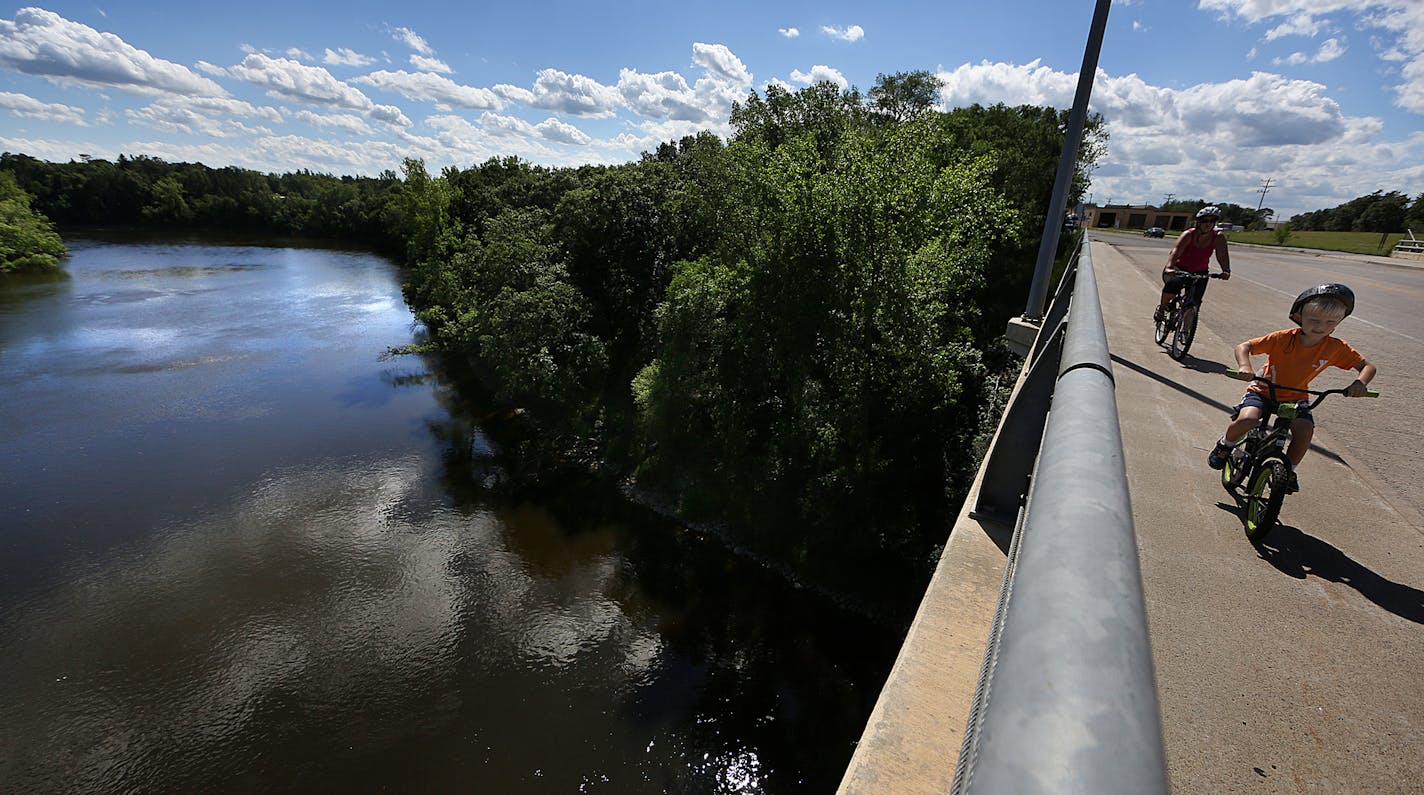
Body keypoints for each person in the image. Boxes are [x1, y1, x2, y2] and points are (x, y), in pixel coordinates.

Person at [1206, 283, 1378, 492]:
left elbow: (1367, 366)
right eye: (1314, 320)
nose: (1321, 326)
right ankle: (1225, 445)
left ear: (1338, 323)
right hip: (1263, 391)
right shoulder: (1283, 338)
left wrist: (1360, 383)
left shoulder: (1336, 348)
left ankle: (1290, 470)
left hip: (1296, 396)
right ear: (1299, 317)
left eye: (1330, 322)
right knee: (1249, 419)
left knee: (1305, 430)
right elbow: (1245, 346)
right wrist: (1245, 366)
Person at [1154, 206, 1231, 324]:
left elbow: (1222, 255)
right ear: (1199, 222)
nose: (1208, 224)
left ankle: (1185, 332)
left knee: (1194, 301)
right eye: (1205, 220)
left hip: (1200, 272)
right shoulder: (1189, 234)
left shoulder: (1218, 237)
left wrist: (1226, 270)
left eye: (1212, 221)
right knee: (1172, 288)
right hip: (1179, 269)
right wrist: (1169, 267)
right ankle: (1162, 309)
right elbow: (1176, 251)